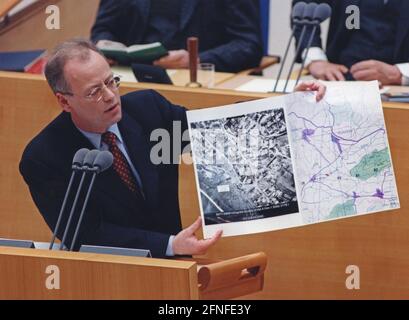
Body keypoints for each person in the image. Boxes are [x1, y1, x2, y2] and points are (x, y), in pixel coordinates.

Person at [19, 39, 326, 258]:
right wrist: (168, 244)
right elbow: (82, 233)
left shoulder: (148, 109)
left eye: (111, 82)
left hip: (174, 267)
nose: (111, 96)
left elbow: (215, 131)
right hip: (109, 272)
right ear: (63, 100)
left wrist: (284, 104)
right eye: (94, 92)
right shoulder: (44, 158)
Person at [90, 0, 263, 73]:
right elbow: (102, 29)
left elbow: (249, 44)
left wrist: (196, 60)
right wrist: (106, 48)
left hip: (197, 84)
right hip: (135, 78)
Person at [292, 0, 409, 85]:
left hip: (400, 87)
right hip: (341, 81)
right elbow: (304, 6)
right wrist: (315, 59)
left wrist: (400, 73)